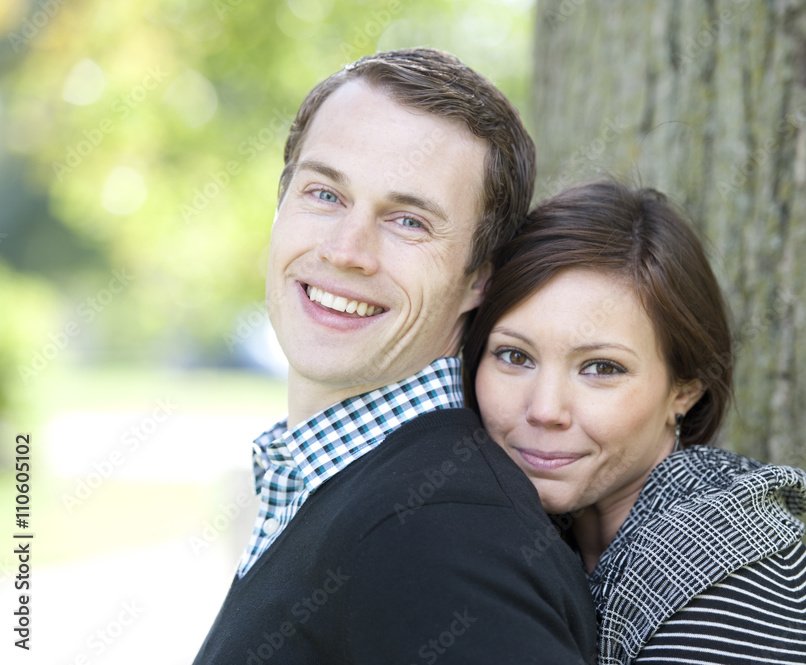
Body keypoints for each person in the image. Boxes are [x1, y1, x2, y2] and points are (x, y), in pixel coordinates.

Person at [193, 49, 595, 664]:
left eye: (408, 220)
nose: (346, 250)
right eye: (325, 193)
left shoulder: (443, 529)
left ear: (479, 277)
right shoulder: (348, 485)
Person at [465, 181, 806, 664]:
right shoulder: (528, 535)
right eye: (514, 355)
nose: (545, 409)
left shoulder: (734, 599)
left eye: (602, 368)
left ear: (684, 390)